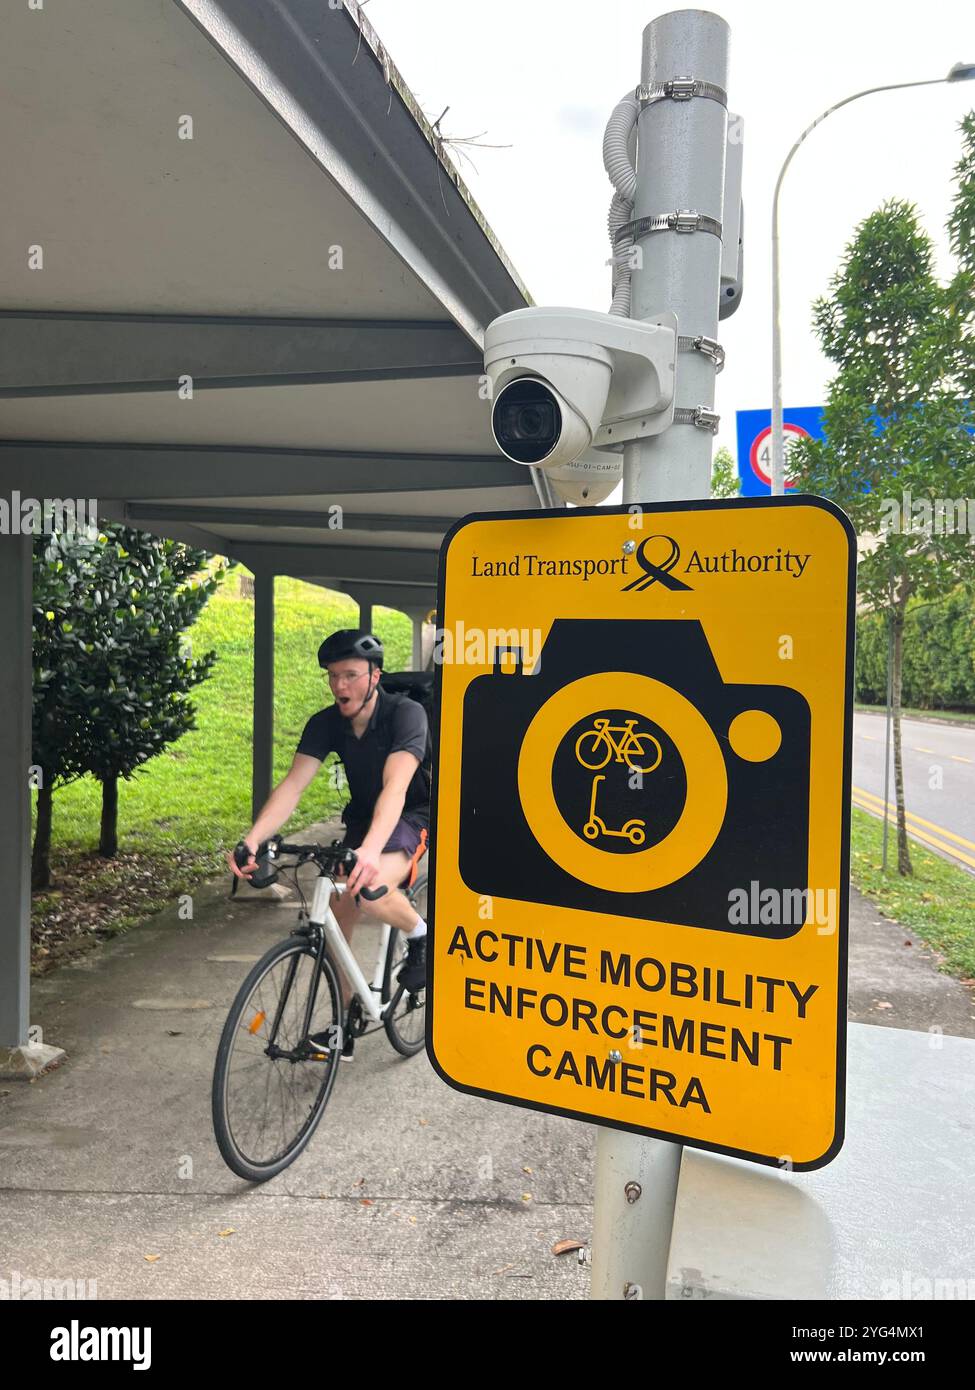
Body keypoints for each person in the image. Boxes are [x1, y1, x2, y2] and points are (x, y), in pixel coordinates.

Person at [227, 629, 429, 1001]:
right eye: (333, 675)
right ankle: (346, 1017)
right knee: (337, 916)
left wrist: (369, 851)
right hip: (363, 817)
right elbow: (293, 787)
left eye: (350, 674)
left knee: (369, 889)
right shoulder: (326, 722)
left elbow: (396, 788)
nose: (339, 684)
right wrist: (253, 838)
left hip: (413, 816)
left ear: (374, 676)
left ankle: (420, 934)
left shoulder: (406, 714)